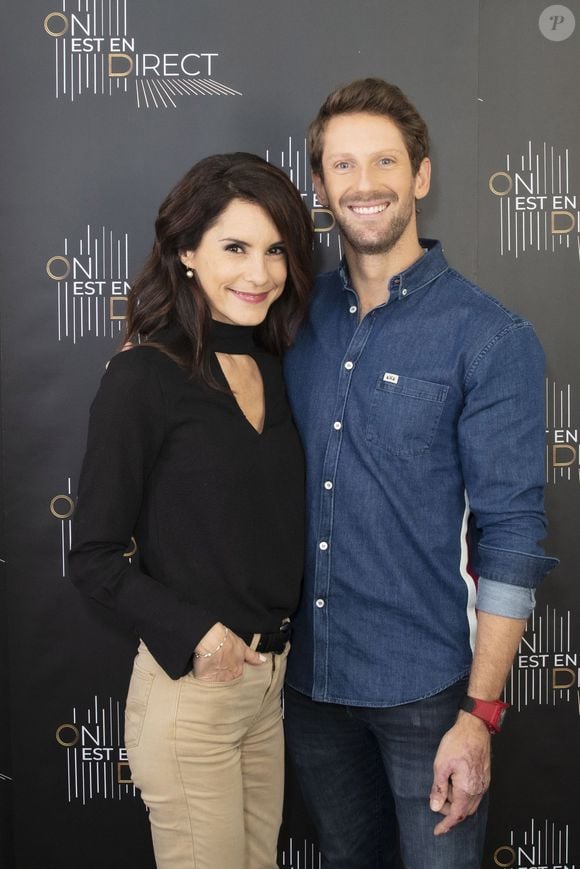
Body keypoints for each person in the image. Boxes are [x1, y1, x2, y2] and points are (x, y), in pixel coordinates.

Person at [282, 79, 557, 869]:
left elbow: (510, 536)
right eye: (343, 165)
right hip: (308, 690)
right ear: (323, 186)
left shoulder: (490, 336)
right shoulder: (295, 319)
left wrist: (480, 712)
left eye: (384, 161)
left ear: (421, 176)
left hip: (428, 697)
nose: (365, 183)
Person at [69, 152, 313, 869]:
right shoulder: (144, 375)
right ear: (185, 252)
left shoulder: (276, 366)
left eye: (275, 250)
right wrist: (199, 634)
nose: (259, 272)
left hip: (268, 694)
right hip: (193, 696)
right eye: (234, 247)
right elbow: (92, 557)